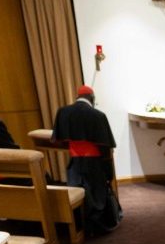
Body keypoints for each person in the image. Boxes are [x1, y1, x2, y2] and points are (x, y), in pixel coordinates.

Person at [52, 85, 122, 235]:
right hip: (94, 165)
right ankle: (97, 227)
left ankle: (81, 226)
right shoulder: (98, 115)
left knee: (78, 193)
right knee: (96, 195)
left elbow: (58, 140)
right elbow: (106, 148)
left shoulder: (62, 112)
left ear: (77, 97)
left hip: (75, 164)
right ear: (92, 98)